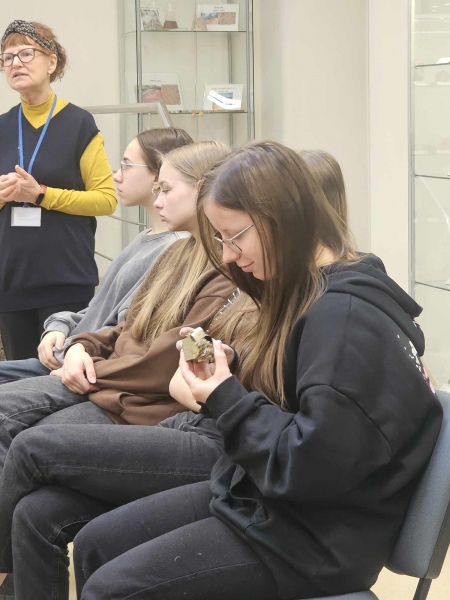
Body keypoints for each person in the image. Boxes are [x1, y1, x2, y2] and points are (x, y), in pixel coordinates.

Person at [69, 141, 442, 600]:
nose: (228, 256)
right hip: (269, 501)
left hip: (311, 539)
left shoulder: (343, 320)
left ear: (280, 218)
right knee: (96, 544)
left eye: (234, 236)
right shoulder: (320, 293)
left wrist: (222, 394)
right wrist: (227, 377)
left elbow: (309, 466)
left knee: (110, 589)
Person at [0, 147, 356, 600]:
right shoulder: (216, 265)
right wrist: (82, 345)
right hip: (175, 415)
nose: (230, 253)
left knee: (29, 443)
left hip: (200, 435)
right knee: (38, 510)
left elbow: (193, 376)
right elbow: (162, 347)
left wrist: (212, 384)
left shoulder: (316, 302)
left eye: (167, 188)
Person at [0, 140, 235, 599]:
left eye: (166, 188)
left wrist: (90, 366)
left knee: (22, 436)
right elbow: (122, 326)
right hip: (103, 380)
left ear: (203, 190)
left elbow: (169, 360)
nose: (158, 199)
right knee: (32, 493)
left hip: (129, 401)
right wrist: (80, 345)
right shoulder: (177, 253)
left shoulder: (222, 269)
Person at [0, 127, 193, 384]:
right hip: (73, 353)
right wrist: (59, 326)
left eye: (127, 166)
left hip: (88, 368)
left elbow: (126, 333)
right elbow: (97, 311)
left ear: (159, 175)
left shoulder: (174, 249)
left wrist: (76, 348)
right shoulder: (145, 238)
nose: (117, 176)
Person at [0, 20, 117, 360]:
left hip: (66, 280)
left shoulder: (79, 124)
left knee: (65, 376)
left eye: (26, 53)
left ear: (52, 62)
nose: (15, 63)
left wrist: (41, 195)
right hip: (12, 281)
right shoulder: (2, 126)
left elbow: (106, 199)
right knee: (17, 381)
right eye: (7, 57)